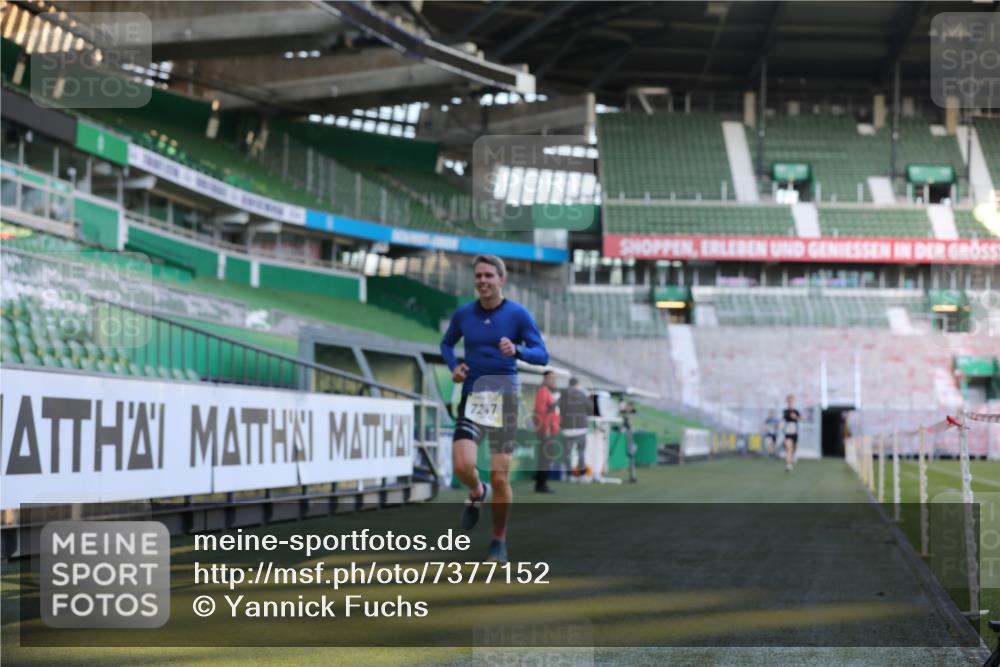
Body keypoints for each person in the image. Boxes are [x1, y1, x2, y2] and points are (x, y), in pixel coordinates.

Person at [440, 254, 549, 563]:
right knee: (463, 466)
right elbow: (446, 345)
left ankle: (498, 541)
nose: (483, 281)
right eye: (479, 276)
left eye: (489, 275)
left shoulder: (517, 315)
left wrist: (517, 349)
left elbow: (542, 355)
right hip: (475, 397)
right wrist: (455, 366)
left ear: (502, 280)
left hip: (505, 398)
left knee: (501, 478)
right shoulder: (464, 315)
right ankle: (476, 491)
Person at [559, 377, 591, 481]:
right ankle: (582, 476)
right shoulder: (583, 395)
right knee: (581, 453)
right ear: (578, 385)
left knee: (567, 454)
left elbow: (560, 409)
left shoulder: (563, 395)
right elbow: (590, 408)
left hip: (567, 429)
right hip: (581, 428)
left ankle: (569, 476)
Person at [532, 371, 559, 494]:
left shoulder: (546, 392)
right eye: (552, 378)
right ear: (546, 379)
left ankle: (540, 482)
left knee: (546, 457)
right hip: (545, 431)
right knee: (545, 458)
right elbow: (541, 412)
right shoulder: (543, 391)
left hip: (547, 430)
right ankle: (541, 484)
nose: (554, 381)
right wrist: (547, 429)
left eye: (555, 379)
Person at [781, 395, 802, 473]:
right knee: (788, 448)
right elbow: (782, 420)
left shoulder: (796, 411)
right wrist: (779, 426)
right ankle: (788, 465)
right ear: (787, 401)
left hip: (795, 432)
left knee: (794, 448)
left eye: (791, 400)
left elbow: (801, 419)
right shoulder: (785, 411)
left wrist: (795, 417)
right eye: (788, 401)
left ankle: (794, 456)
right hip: (787, 432)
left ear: (793, 401)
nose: (790, 402)